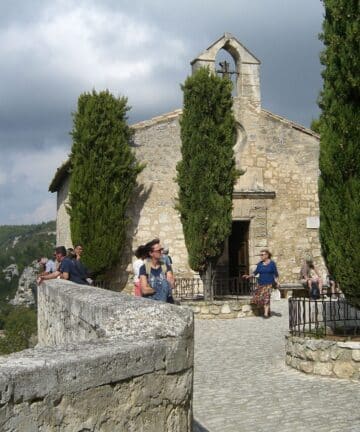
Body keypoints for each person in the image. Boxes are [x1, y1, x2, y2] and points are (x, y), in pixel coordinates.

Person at [242, 249, 280, 318]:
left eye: (262, 255)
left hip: (269, 283)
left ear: (267, 255)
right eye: (260, 255)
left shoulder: (272, 264)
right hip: (261, 283)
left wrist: (277, 282)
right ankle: (268, 310)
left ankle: (265, 314)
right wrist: (248, 276)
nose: (261, 256)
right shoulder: (260, 264)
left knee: (266, 297)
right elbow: (255, 272)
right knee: (259, 298)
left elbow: (276, 274)